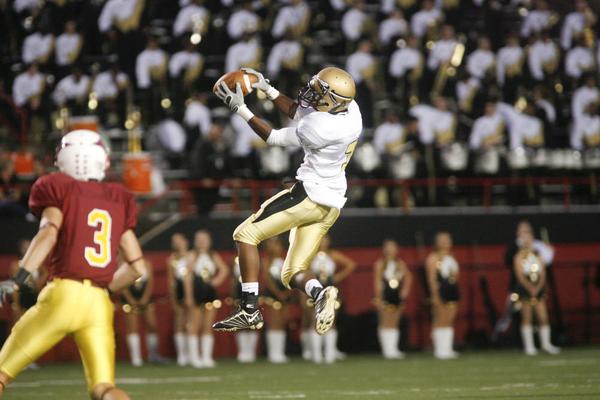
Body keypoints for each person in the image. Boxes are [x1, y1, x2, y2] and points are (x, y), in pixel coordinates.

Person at [212, 66, 362, 336]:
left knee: (245, 234)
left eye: (320, 90)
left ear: (333, 99)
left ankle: (249, 309)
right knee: (291, 273)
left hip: (309, 195)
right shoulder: (352, 111)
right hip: (332, 202)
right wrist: (266, 88)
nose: (313, 91)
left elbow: (273, 137)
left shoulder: (320, 128)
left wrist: (240, 108)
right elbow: (301, 112)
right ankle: (320, 294)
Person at [0, 129, 144, 399]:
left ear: (62, 159)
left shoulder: (57, 187)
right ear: (103, 159)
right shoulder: (117, 197)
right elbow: (137, 266)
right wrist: (102, 289)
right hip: (99, 302)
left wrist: (17, 279)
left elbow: (48, 233)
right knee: (104, 388)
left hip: (64, 293)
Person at [304, 235, 355, 364]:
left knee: (330, 321)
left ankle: (330, 354)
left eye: (325, 239)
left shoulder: (333, 255)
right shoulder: (310, 255)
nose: (323, 242)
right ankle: (316, 355)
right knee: (314, 321)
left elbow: (351, 265)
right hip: (315, 290)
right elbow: (302, 271)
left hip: (330, 291)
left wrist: (337, 277)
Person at [514, 226, 560, 356]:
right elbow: (520, 275)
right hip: (525, 289)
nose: (526, 240)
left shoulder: (538, 254)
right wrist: (529, 287)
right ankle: (529, 347)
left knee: (543, 317)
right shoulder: (518, 256)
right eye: (524, 238)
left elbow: (543, 272)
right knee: (527, 317)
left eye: (528, 238)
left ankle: (546, 344)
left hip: (538, 289)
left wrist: (538, 287)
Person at [185, 230, 229, 367]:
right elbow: (187, 276)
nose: (202, 242)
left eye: (205, 239)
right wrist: (188, 296)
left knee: (208, 324)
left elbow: (224, 269)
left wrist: (216, 281)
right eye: (199, 239)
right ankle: (194, 357)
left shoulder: (213, 255)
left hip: (209, 292)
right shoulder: (192, 255)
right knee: (195, 324)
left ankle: (206, 357)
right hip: (196, 291)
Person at [121, 258, 164, 366]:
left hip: (145, 296)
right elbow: (121, 282)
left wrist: (145, 297)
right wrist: (129, 298)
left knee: (152, 325)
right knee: (133, 327)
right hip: (130, 297)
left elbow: (150, 281)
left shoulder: (146, 263)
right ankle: (136, 358)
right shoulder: (123, 264)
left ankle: (153, 355)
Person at [374, 239, 412, 359]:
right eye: (387, 247)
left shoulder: (400, 263)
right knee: (385, 321)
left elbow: (409, 277)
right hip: (385, 294)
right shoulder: (380, 263)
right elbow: (377, 281)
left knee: (394, 322)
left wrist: (404, 292)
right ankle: (387, 350)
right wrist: (379, 297)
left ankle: (393, 349)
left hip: (396, 295)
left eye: (392, 247)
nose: (390, 250)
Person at [426, 232, 460, 360]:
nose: (446, 242)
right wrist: (435, 295)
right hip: (440, 291)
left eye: (447, 239)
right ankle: (440, 350)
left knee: (449, 319)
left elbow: (455, 275)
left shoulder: (451, 257)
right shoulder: (433, 258)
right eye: (442, 240)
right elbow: (432, 279)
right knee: (440, 319)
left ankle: (447, 349)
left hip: (452, 290)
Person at [261, 237, 290, 363]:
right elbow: (267, 278)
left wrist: (287, 292)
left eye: (276, 244)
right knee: (273, 322)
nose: (274, 247)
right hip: (272, 295)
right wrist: (278, 293)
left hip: (284, 294)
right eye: (271, 244)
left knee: (281, 322)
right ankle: (273, 353)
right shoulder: (266, 261)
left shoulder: (284, 261)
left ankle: (280, 352)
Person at [167, 233, 191, 366]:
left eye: (179, 240)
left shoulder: (191, 256)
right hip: (179, 290)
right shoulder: (172, 259)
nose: (177, 243)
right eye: (174, 241)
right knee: (180, 321)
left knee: (191, 321)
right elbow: (171, 281)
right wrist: (173, 297)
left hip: (192, 289)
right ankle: (182, 355)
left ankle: (191, 353)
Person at [232, 257, 258, 363]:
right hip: (239, 292)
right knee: (240, 321)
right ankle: (242, 352)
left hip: (251, 290)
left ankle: (250, 352)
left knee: (252, 322)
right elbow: (233, 280)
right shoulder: (234, 260)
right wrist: (234, 297)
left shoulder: (253, 257)